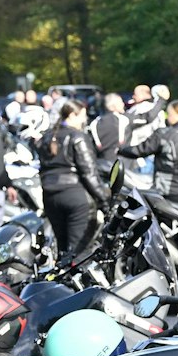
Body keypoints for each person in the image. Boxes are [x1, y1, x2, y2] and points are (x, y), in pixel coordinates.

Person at [38, 100, 109, 260]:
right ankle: (80, 284)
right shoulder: (78, 137)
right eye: (82, 116)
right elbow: (89, 173)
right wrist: (105, 201)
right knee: (80, 253)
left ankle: (61, 283)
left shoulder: (48, 137)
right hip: (76, 198)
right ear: (72, 115)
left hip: (50, 197)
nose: (84, 120)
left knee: (63, 252)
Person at [120, 99, 178, 204]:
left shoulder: (164, 134)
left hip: (171, 193)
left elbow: (138, 151)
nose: (167, 117)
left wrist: (120, 149)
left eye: (169, 114)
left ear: (176, 115)